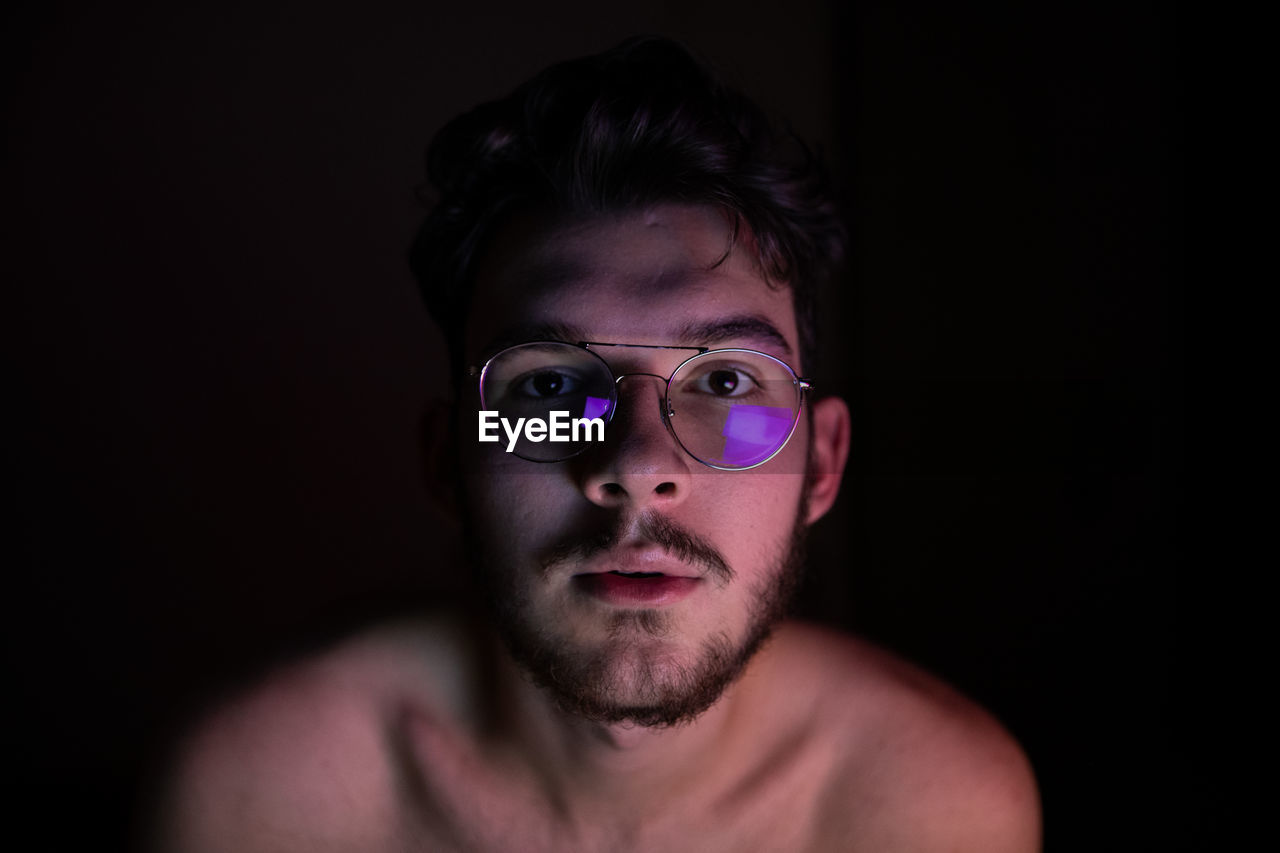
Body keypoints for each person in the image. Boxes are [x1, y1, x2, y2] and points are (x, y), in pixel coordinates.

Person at [152, 37, 1040, 852]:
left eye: (726, 381)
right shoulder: (265, 799)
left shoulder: (930, 805)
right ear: (445, 463)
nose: (636, 466)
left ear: (825, 461)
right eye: (547, 384)